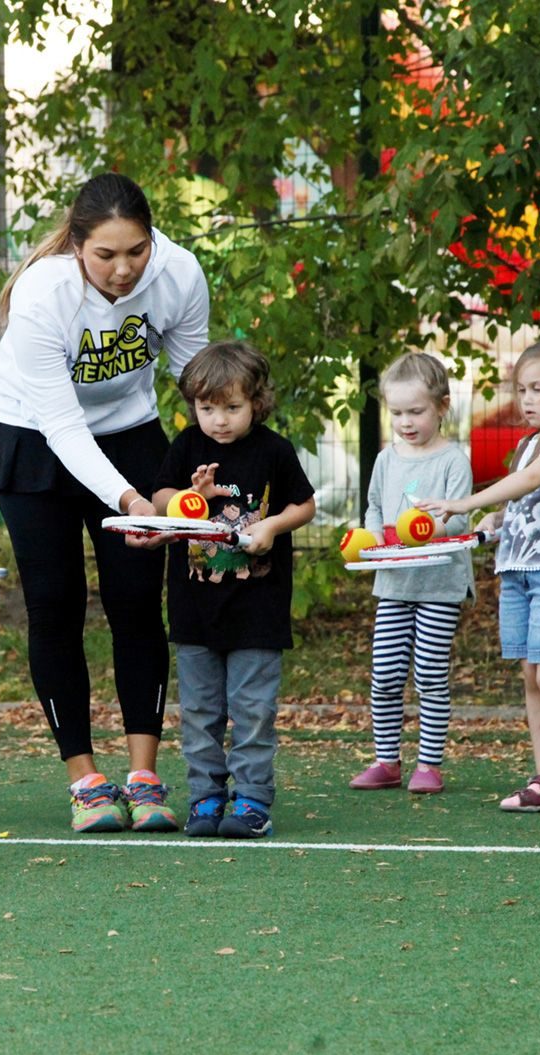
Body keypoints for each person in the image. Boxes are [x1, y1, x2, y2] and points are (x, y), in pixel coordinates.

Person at [0, 172, 210, 832]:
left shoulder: (180, 274)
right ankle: (84, 780)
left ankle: (143, 776)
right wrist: (133, 499)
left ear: (152, 239)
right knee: (54, 605)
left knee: (136, 602)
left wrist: (199, 481)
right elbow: (62, 426)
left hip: (131, 432)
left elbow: (196, 387)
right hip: (33, 437)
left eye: (135, 250)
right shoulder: (42, 292)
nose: (122, 268)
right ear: (77, 245)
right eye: (105, 255)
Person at [415, 337, 540, 817]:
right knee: (531, 675)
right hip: (519, 572)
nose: (526, 400)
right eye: (521, 390)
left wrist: (466, 504)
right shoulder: (528, 445)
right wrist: (496, 520)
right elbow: (526, 498)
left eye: (537, 389)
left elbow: (530, 481)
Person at [149, 341, 315, 838]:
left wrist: (272, 527)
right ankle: (204, 798)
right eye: (206, 409)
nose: (219, 420)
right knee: (199, 712)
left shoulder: (274, 450)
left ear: (256, 403)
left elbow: (304, 506)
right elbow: (159, 499)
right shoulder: (185, 448)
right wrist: (186, 499)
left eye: (232, 408)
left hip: (257, 614)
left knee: (252, 711)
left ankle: (251, 801)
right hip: (195, 611)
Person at [350, 353, 474, 795]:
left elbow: (460, 520)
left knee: (429, 673)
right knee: (384, 672)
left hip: (439, 584)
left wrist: (425, 529)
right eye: (396, 412)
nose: (405, 422)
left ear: (442, 407)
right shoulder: (387, 459)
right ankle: (387, 760)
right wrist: (369, 539)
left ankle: (429, 764)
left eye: (415, 411)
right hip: (395, 582)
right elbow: (376, 508)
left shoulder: (453, 460)